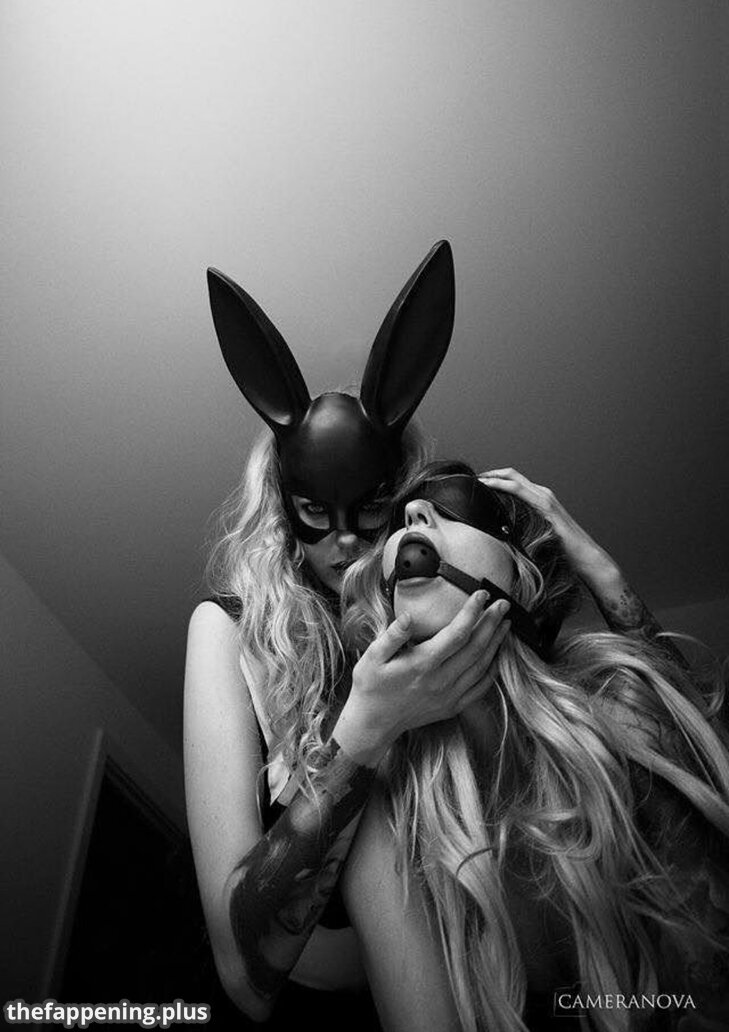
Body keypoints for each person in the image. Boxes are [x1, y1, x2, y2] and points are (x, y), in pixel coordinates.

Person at [183, 244, 511, 1028]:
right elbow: (243, 979)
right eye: (314, 513)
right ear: (282, 505)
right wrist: (368, 726)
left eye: (368, 510)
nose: (344, 543)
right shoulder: (226, 633)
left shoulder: (433, 605)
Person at [342, 461, 729, 1032]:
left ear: (522, 578)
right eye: (406, 519)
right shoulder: (403, 805)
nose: (412, 514)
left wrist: (603, 572)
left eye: (456, 508)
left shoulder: (618, 716)